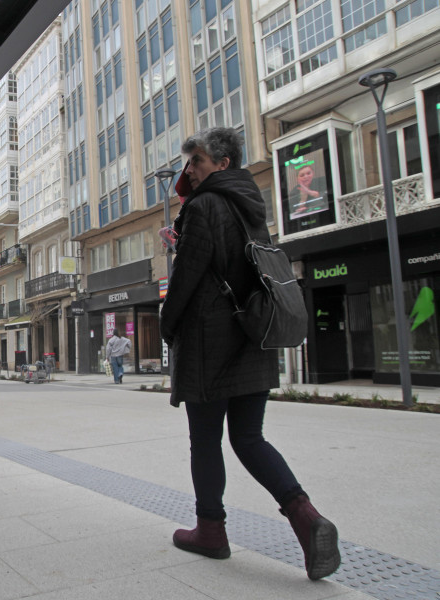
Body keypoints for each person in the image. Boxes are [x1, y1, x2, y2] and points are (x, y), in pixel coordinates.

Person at [160, 127, 340, 581]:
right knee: (249, 437)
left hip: (209, 340)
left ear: (222, 163)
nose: (189, 169)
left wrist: (167, 324)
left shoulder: (203, 206)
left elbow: (188, 278)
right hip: (253, 335)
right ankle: (306, 516)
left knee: (205, 440)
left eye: (197, 160)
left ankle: (211, 531)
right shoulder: (250, 205)